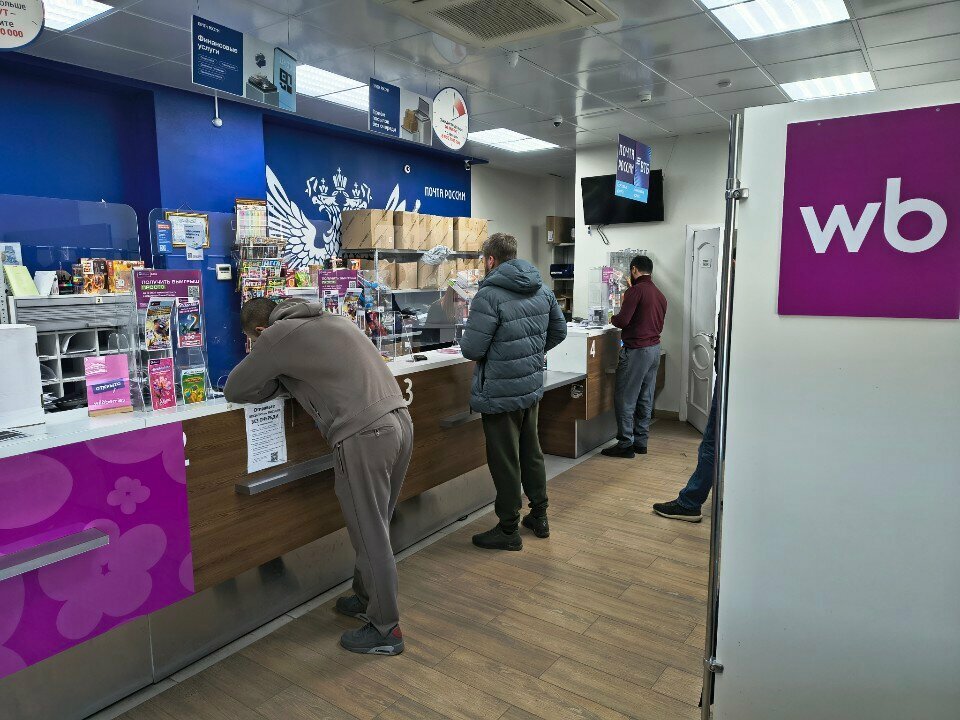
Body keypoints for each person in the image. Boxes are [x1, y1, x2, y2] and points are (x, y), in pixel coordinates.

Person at [223, 297, 413, 656]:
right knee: (375, 525)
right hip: (400, 420)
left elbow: (235, 388)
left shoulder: (276, 336)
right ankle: (366, 597)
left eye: (252, 341)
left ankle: (386, 628)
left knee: (370, 533)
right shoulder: (330, 318)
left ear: (259, 330)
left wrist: (279, 380)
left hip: (365, 434)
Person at [460, 233, 567, 551]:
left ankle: (508, 529)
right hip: (530, 386)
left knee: (505, 460)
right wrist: (531, 354)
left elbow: (471, 349)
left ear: (490, 260)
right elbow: (559, 331)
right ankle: (539, 516)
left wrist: (506, 356)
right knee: (531, 452)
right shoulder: (542, 289)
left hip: (499, 392)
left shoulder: (488, 295)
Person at [601, 254, 667, 459]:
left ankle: (625, 444)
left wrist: (612, 318)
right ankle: (641, 442)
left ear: (634, 269)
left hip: (637, 351)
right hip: (654, 350)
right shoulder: (660, 294)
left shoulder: (635, 291)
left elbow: (623, 321)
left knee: (625, 398)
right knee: (645, 397)